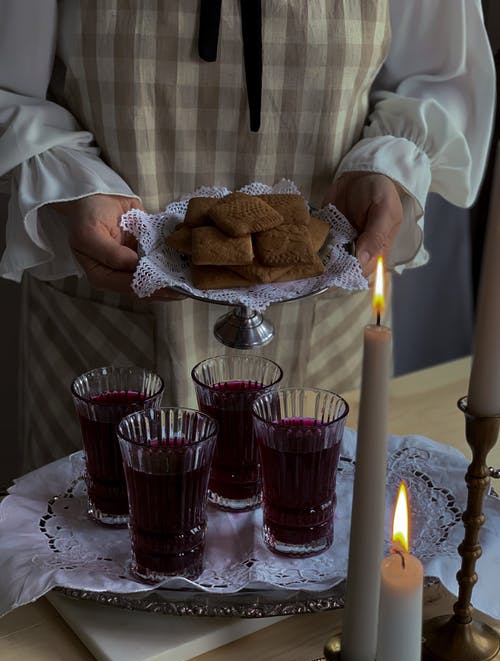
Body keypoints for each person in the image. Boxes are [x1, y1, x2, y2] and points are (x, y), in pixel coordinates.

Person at [0, 1, 495, 472]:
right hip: (103, 336)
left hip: (324, 341)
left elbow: (439, 79)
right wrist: (73, 186)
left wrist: (384, 168)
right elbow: (9, 89)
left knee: (309, 527)